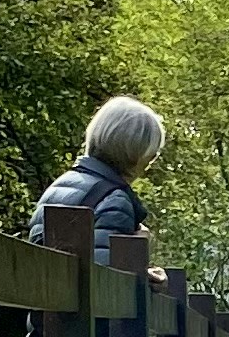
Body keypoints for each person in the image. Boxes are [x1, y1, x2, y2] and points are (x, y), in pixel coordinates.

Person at [32, 96, 166, 259]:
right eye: (152, 155)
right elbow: (106, 280)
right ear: (135, 153)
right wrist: (135, 250)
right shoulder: (114, 200)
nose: (150, 164)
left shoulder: (57, 187)